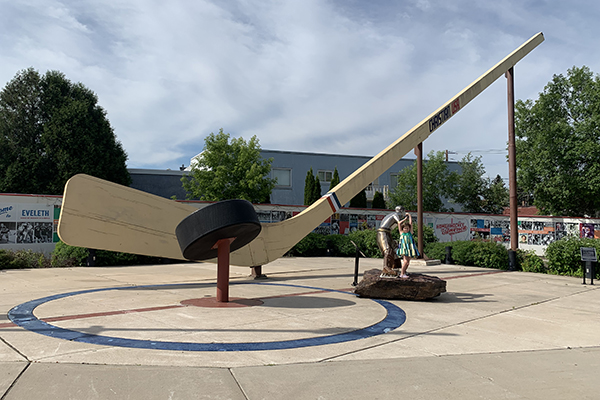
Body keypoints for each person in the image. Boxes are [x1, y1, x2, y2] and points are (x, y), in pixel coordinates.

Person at [377, 206, 408, 278]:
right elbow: (399, 223)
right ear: (401, 211)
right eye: (404, 211)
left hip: (387, 232)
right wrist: (406, 219)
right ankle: (386, 268)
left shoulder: (392, 215)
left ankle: (396, 267)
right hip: (382, 232)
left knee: (394, 248)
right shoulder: (395, 215)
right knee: (388, 250)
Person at [397, 213, 419, 278]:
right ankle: (402, 273)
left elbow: (411, 223)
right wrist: (404, 219)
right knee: (405, 261)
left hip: (409, 248)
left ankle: (404, 272)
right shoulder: (401, 233)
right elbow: (399, 223)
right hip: (404, 248)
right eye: (405, 228)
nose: (406, 229)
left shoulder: (410, 233)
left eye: (407, 228)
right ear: (403, 228)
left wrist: (409, 216)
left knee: (408, 262)